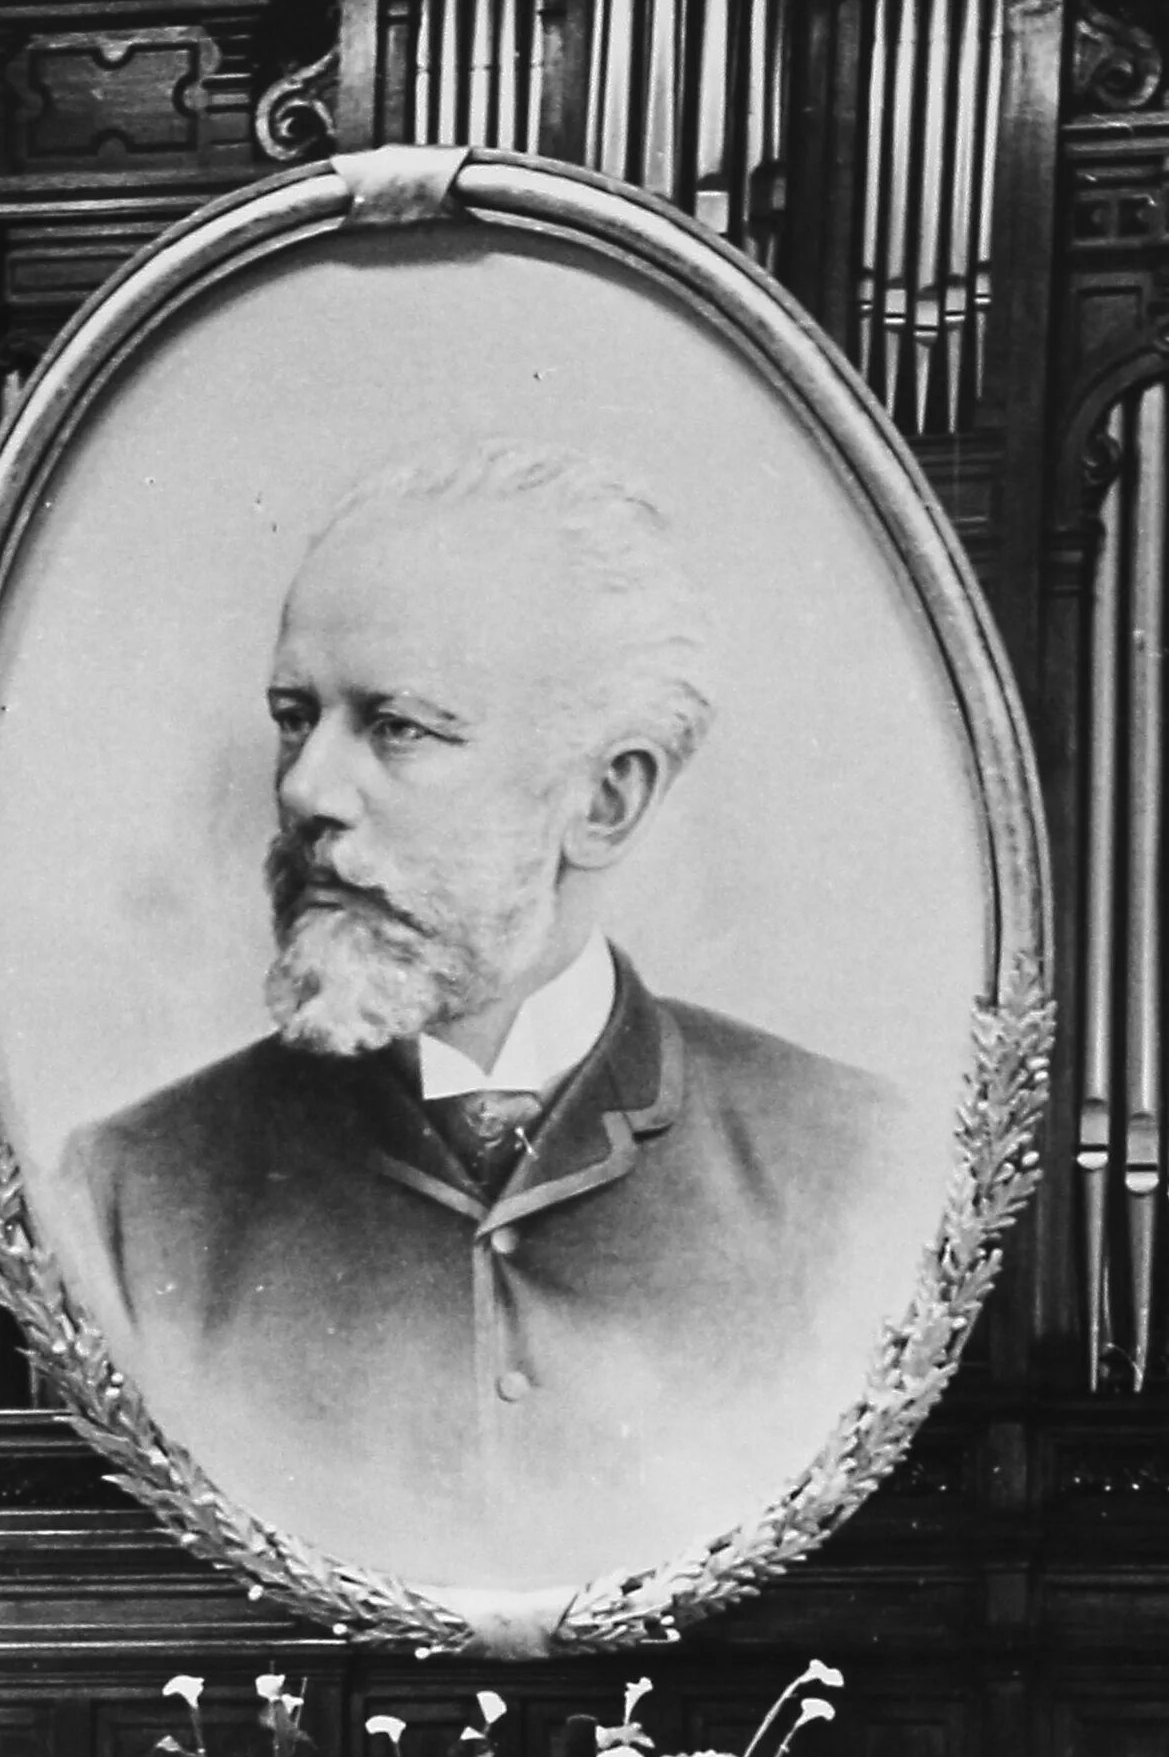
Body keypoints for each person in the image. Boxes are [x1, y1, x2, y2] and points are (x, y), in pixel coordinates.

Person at [62, 442, 919, 1597]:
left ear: (604, 800)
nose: (307, 790)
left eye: (398, 727)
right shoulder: (130, 1194)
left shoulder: (858, 1170)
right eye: (293, 716)